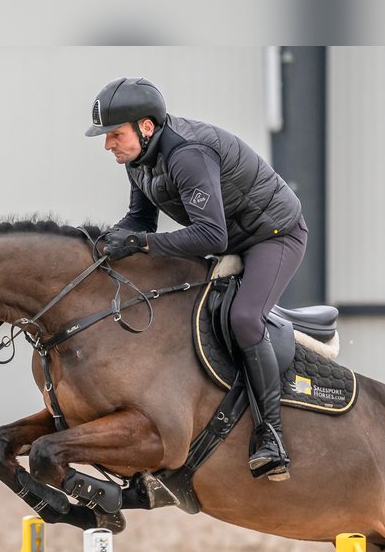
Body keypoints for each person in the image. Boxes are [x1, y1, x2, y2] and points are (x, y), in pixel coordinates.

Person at [85, 76, 307, 482]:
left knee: (243, 318)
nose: (108, 145)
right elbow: (141, 221)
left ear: (145, 127)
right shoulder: (138, 161)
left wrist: (139, 242)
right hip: (226, 239)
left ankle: (271, 435)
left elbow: (211, 236)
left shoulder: (188, 156)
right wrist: (103, 247)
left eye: (114, 134)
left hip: (272, 237)